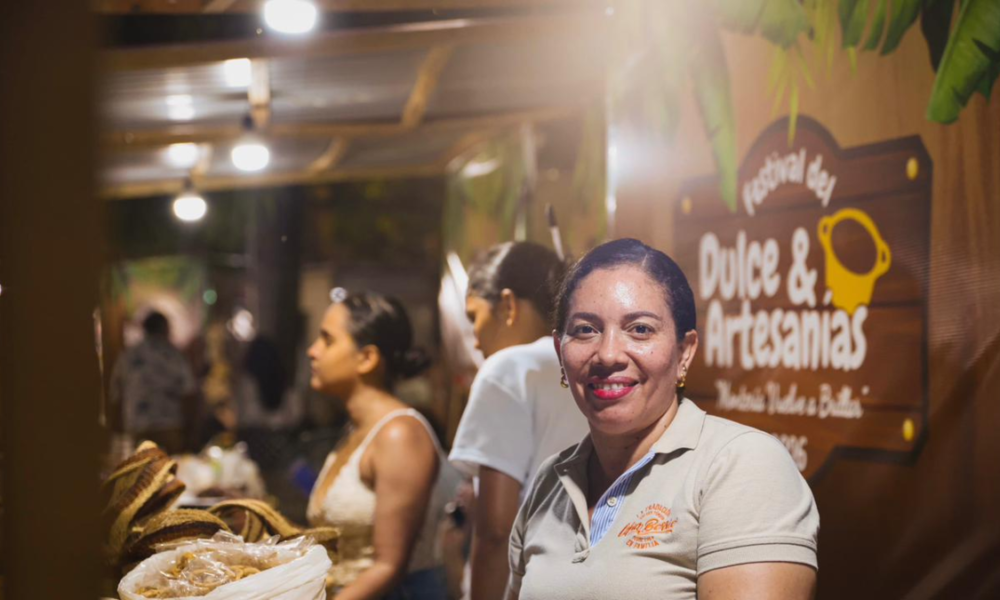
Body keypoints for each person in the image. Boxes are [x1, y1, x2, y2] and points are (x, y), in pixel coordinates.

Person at [506, 239, 819, 600]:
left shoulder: (742, 466)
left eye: (640, 329)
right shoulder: (550, 481)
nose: (608, 354)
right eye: (586, 329)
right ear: (560, 352)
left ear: (684, 352)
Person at [449, 241, 589, 600]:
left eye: (474, 317)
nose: (474, 340)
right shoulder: (592, 364)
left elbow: (496, 532)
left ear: (508, 305)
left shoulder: (507, 369)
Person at [306, 291, 449, 600]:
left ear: (367, 358)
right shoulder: (356, 431)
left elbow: (389, 566)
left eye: (327, 340)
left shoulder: (400, 435)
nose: (312, 351)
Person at [110, 310, 196, 455]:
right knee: (170, 466)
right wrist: (189, 429)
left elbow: (116, 394)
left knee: (141, 467)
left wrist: (119, 428)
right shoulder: (174, 355)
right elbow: (188, 392)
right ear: (165, 329)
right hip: (169, 426)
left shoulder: (128, 355)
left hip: (137, 426)